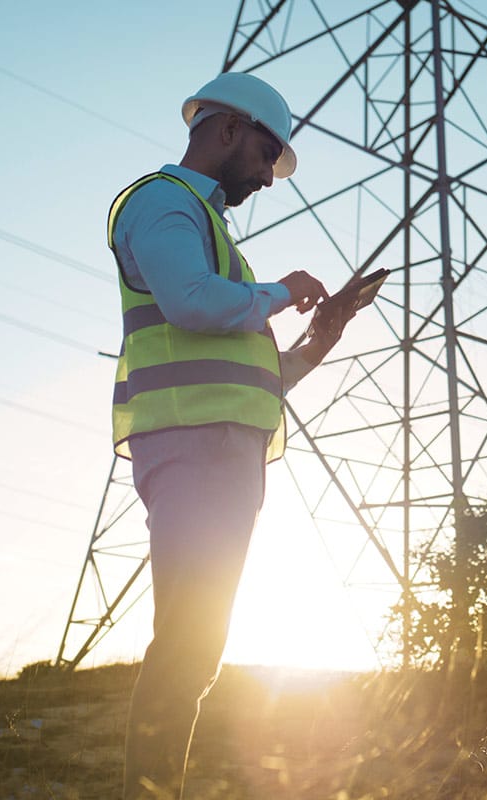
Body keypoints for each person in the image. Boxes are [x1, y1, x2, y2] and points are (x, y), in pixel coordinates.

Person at [107, 72, 357, 800]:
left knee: (196, 650)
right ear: (224, 129)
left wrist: (316, 343)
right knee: (186, 648)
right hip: (192, 447)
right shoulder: (162, 203)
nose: (269, 175)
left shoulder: (207, 230)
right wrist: (281, 291)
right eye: (266, 151)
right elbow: (190, 304)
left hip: (219, 449)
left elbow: (250, 375)